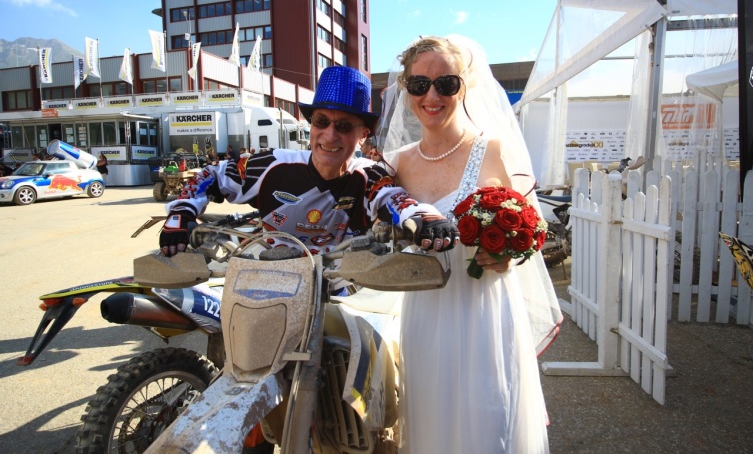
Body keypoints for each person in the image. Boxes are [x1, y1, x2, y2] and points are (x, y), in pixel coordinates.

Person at [378, 35, 563, 453]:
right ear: (407, 91)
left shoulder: (494, 151)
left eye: (446, 83)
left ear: (465, 86)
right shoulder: (398, 164)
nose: (432, 96)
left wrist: (506, 256)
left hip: (485, 312)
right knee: (431, 419)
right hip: (425, 311)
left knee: (488, 417)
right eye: (419, 84)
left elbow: (532, 231)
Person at [159, 65, 459, 260]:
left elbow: (395, 198)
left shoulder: (368, 175)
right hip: (264, 274)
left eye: (343, 126)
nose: (329, 135)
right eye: (321, 121)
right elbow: (212, 175)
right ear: (310, 126)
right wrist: (181, 214)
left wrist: (424, 217)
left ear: (362, 135)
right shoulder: (272, 164)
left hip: (340, 287)